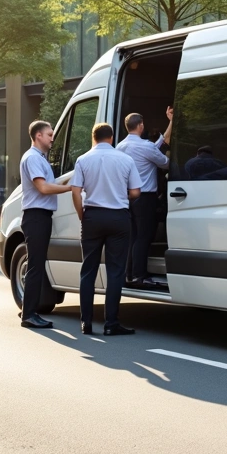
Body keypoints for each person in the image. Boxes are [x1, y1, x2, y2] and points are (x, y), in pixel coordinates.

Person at [71, 122, 143, 336]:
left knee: (88, 270)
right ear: (111, 138)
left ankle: (86, 322)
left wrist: (83, 216)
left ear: (93, 137)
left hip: (92, 217)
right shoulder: (126, 159)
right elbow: (136, 192)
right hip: (118, 218)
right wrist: (120, 195)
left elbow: (75, 192)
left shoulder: (83, 159)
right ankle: (111, 323)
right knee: (115, 271)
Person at [19, 120, 71, 330]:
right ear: (38, 135)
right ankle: (29, 315)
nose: (52, 138)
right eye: (49, 134)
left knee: (36, 265)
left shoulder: (39, 158)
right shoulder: (32, 158)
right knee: (36, 266)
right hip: (36, 216)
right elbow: (43, 188)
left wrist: (69, 182)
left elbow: (50, 184)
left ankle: (28, 309)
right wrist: (71, 189)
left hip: (40, 216)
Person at [116, 108, 172, 287]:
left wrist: (171, 121)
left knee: (133, 236)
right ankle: (140, 275)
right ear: (141, 126)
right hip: (145, 197)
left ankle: (129, 274)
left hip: (127, 197)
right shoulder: (145, 146)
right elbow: (165, 163)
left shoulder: (120, 147)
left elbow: (158, 145)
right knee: (144, 236)